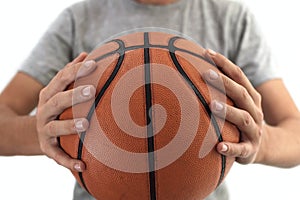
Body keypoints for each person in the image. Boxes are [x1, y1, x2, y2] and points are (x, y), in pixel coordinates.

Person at [0, 0, 299, 199]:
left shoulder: (231, 18)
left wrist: (260, 142)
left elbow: (296, 135)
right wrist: (44, 133)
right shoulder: (81, 18)